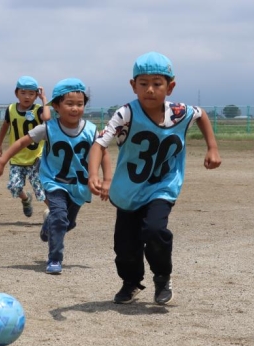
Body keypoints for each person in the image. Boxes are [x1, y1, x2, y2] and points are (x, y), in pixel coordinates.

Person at [88, 52, 221, 305]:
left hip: (163, 185)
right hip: (129, 190)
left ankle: (162, 278)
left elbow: (201, 114)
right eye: (143, 83)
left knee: (154, 230)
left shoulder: (180, 112)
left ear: (170, 87)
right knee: (125, 247)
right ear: (133, 85)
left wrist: (212, 147)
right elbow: (99, 144)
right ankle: (131, 282)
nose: (150, 89)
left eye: (157, 83)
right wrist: (94, 174)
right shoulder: (126, 113)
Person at [0, 78, 111, 275]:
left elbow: (103, 153)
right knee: (60, 218)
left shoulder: (90, 130)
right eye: (69, 104)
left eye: (80, 104)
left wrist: (106, 179)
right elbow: (21, 142)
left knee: (67, 222)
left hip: (79, 185)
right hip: (53, 181)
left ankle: (49, 226)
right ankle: (55, 258)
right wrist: (1, 161)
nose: (75, 108)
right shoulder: (48, 128)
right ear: (56, 106)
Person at [0, 76, 51, 218]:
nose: (27, 97)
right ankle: (26, 199)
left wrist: (44, 100)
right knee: (14, 186)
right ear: (16, 93)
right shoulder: (11, 109)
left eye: (31, 94)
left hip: (36, 157)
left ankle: (58, 213)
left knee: (40, 188)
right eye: (23, 93)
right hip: (17, 157)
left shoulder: (38, 109)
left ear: (36, 95)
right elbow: (5, 127)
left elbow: (47, 118)